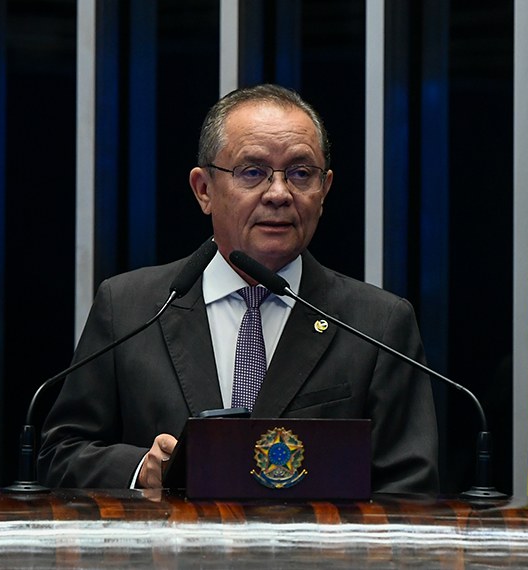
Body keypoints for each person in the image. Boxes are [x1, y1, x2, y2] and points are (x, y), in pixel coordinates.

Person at [38, 84, 439, 495]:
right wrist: (144, 468)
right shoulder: (130, 308)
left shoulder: (377, 324)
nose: (280, 194)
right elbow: (59, 455)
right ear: (204, 190)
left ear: (324, 192)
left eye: (301, 174)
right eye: (253, 172)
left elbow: (409, 489)